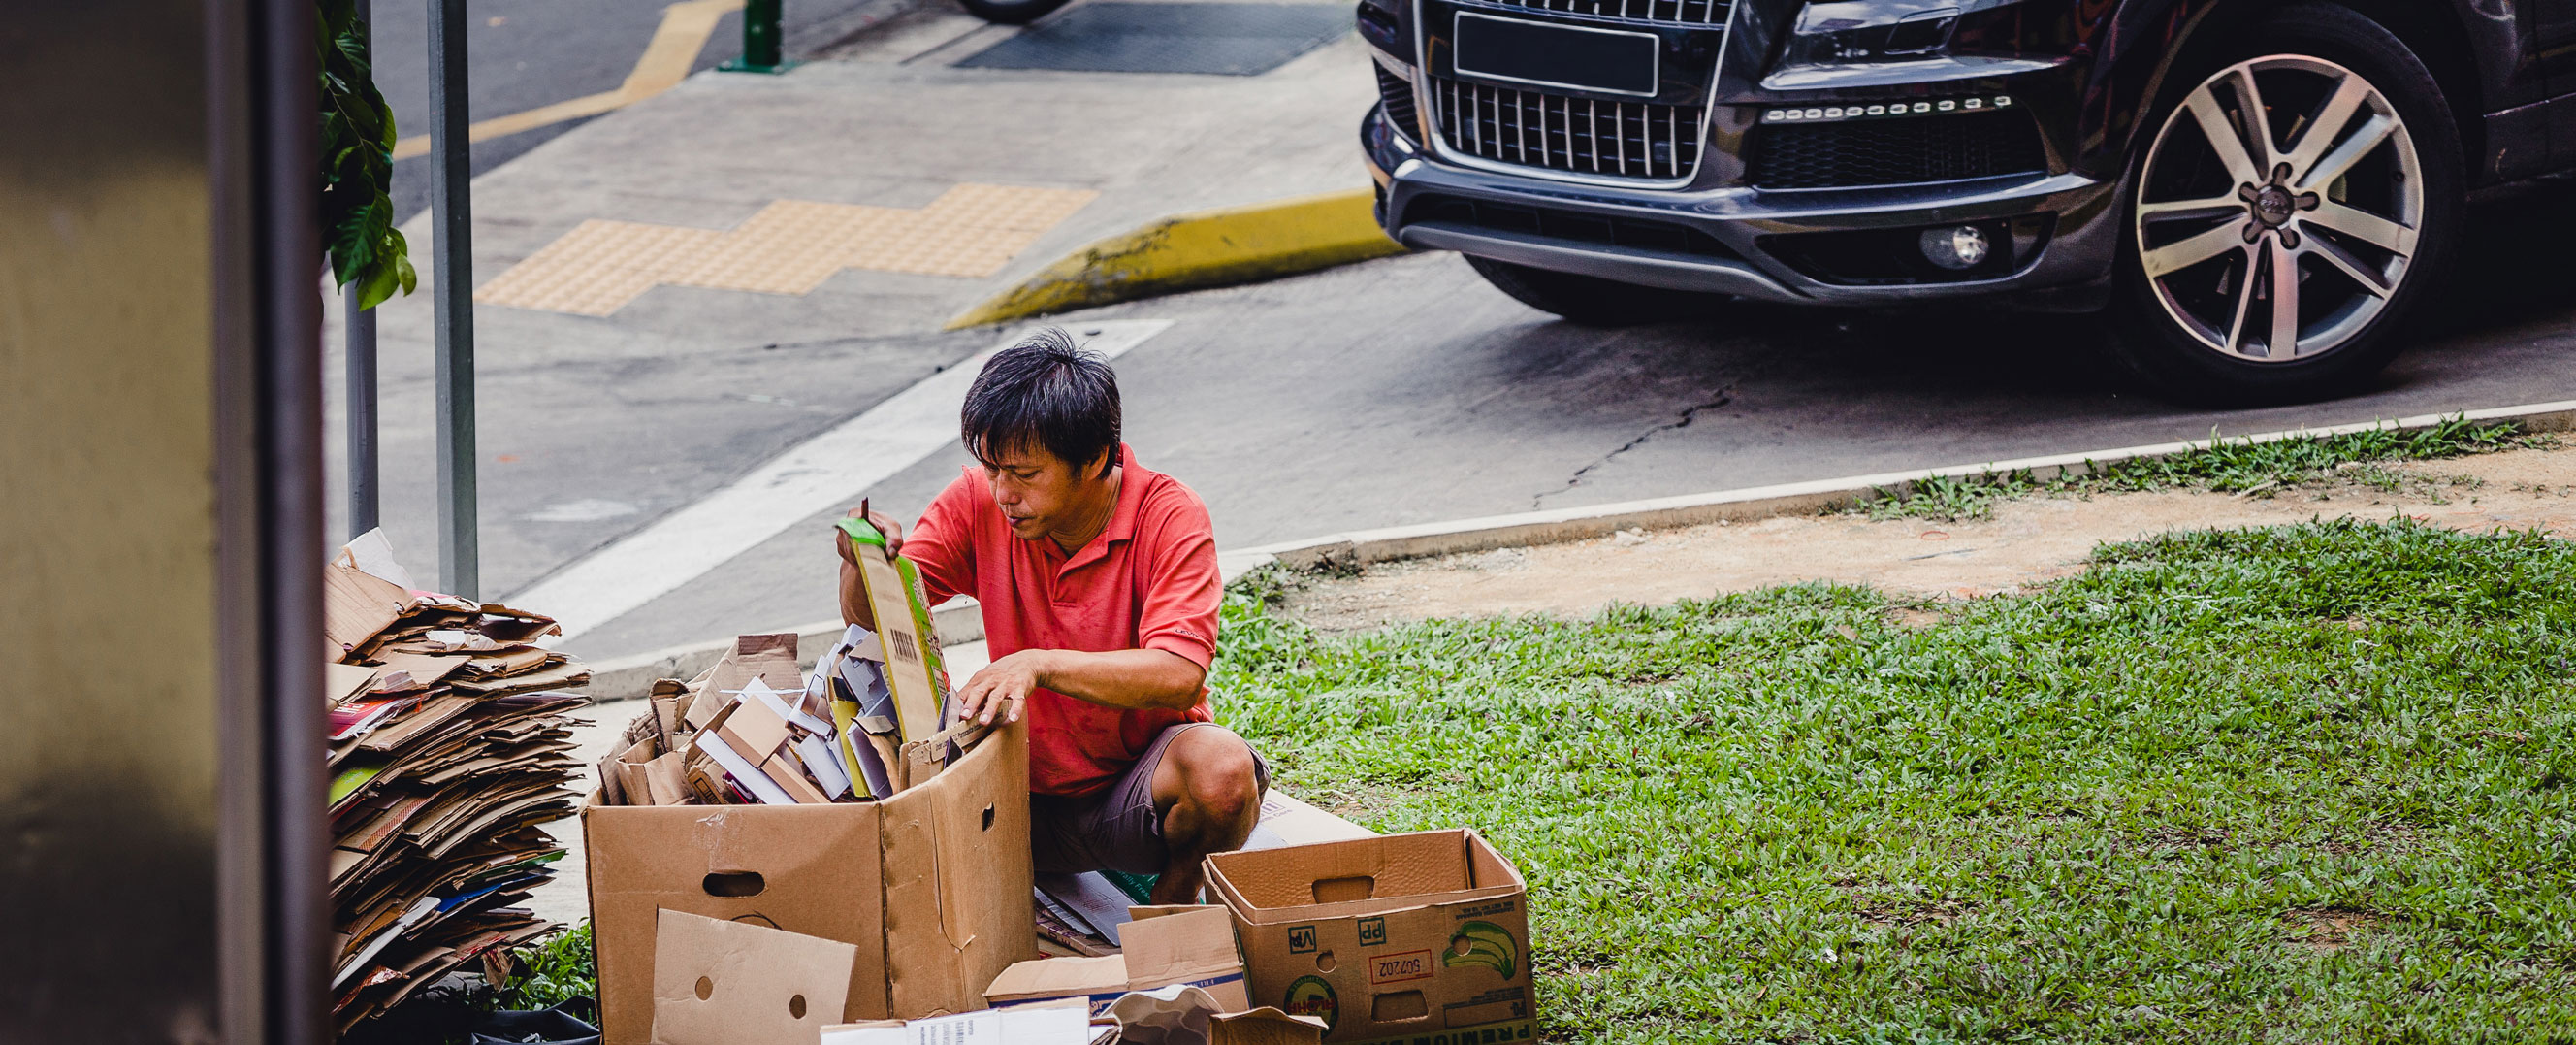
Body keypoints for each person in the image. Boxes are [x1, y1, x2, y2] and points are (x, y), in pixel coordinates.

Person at [833, 327, 1266, 904]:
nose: (1003, 492)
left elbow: (1179, 673)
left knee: (1223, 773)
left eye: (1026, 474)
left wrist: (1038, 665)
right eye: (992, 469)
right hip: (1016, 799)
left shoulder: (1169, 515)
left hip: (1133, 800)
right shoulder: (978, 500)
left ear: (1094, 459)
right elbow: (872, 622)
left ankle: (1173, 902)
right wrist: (861, 563)